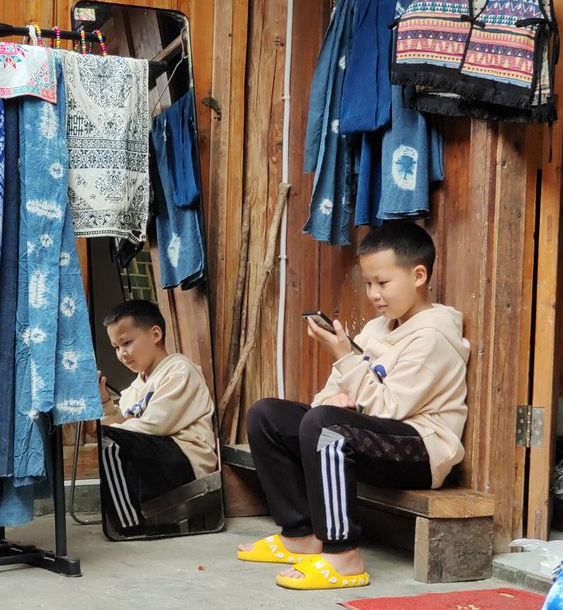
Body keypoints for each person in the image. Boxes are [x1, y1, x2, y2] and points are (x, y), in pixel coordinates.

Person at [238, 220, 469, 590]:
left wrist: (345, 360)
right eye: (368, 284)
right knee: (266, 415)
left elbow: (390, 409)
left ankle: (344, 555)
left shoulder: (434, 336)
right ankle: (300, 534)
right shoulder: (377, 329)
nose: (374, 294)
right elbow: (326, 398)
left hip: (421, 450)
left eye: (383, 282)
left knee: (326, 426)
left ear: (419, 275)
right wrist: (333, 399)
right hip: (373, 436)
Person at [98, 299, 217, 536]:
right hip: (158, 455)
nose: (122, 354)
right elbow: (122, 426)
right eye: (116, 347)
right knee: (107, 440)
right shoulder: (132, 389)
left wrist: (116, 428)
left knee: (110, 441)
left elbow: (156, 425)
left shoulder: (179, 370)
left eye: (127, 343)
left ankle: (130, 527)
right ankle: (130, 521)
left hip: (186, 459)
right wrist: (105, 404)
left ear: (155, 334)